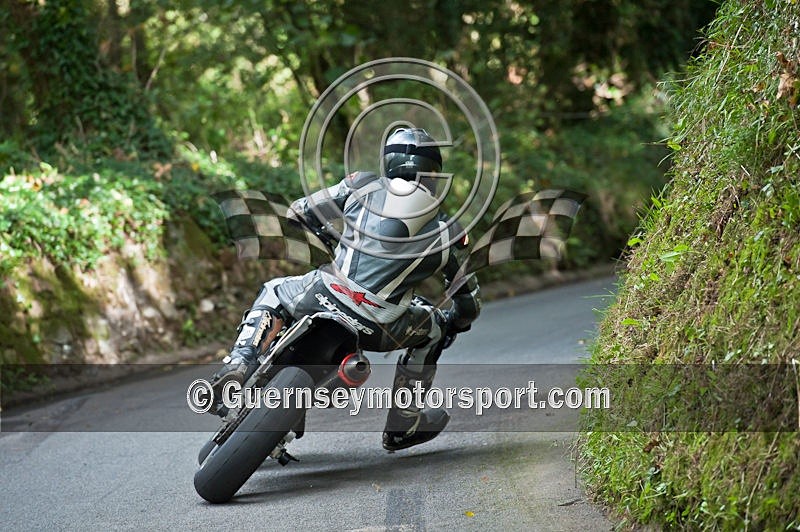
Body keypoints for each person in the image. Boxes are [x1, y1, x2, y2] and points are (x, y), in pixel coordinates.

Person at [210, 127, 481, 451]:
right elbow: (468, 303)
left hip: (323, 294)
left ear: (389, 162)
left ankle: (241, 361)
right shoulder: (450, 232)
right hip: (382, 326)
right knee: (434, 332)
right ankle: (404, 422)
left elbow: (299, 210)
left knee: (274, 289)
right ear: (434, 174)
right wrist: (455, 321)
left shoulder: (360, 184)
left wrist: (332, 239)